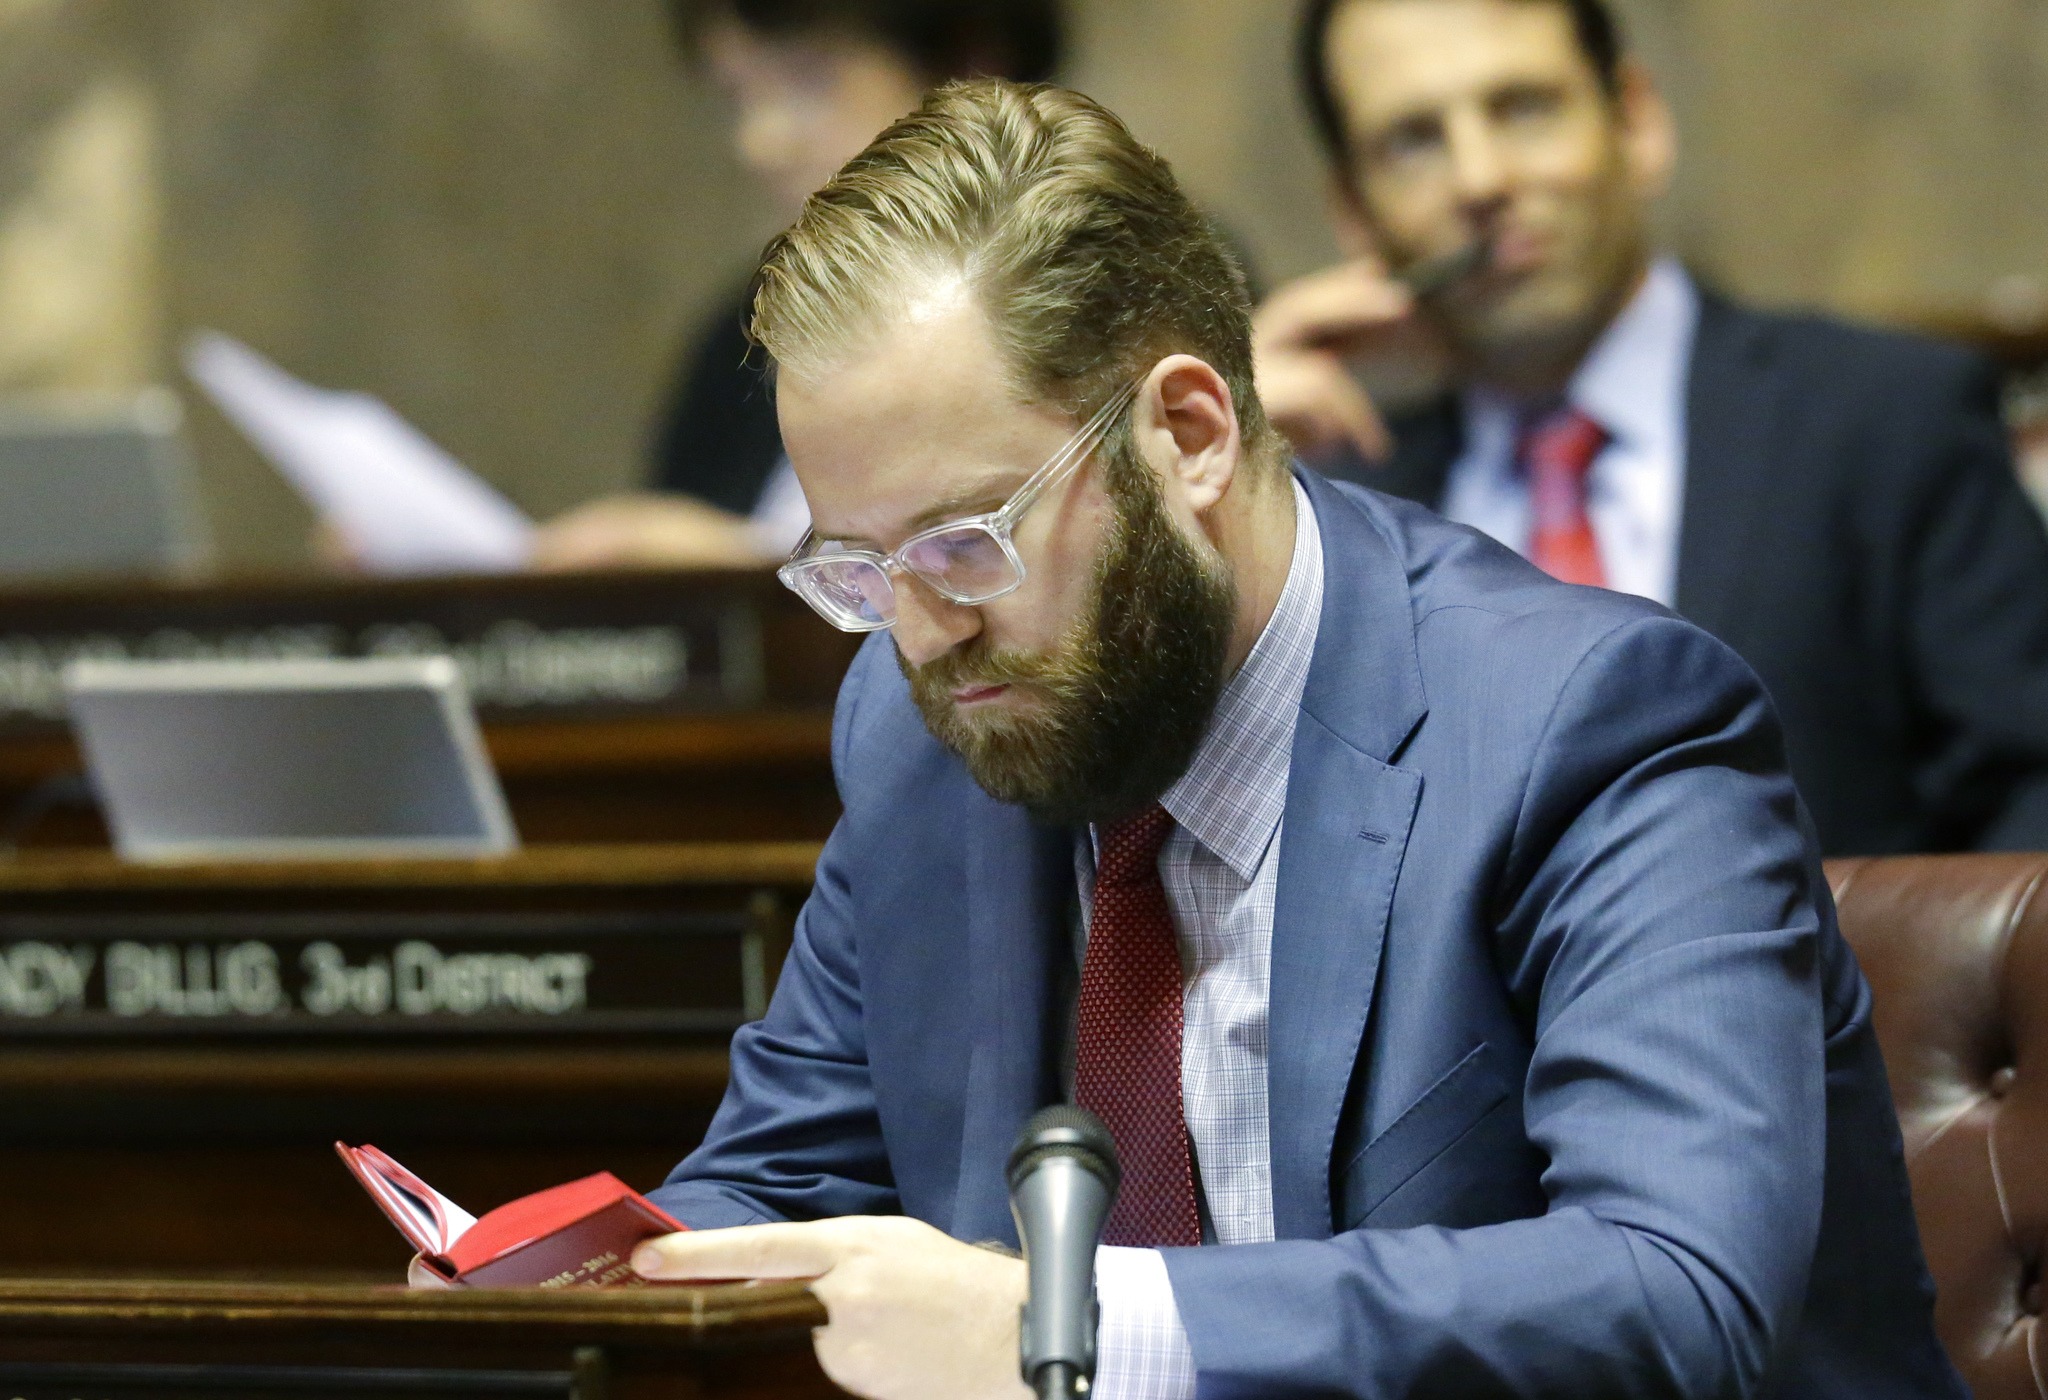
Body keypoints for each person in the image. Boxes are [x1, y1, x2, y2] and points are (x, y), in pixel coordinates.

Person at [624, 79, 1962, 1400]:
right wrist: (563, 1283)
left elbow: (1674, 1290)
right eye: (858, 570)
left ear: (1187, 434)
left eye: (966, 545)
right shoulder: (928, 729)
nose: (919, 633)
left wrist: (1071, 1320)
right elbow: (773, 1188)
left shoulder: (1596, 724)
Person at [1255, 0, 2048, 858]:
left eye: (1523, 107)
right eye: (1413, 140)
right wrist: (1227, 483)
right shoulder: (1334, 521)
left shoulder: (1884, 418)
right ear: (1353, 209)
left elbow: (2029, 804)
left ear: (1636, 121)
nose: (1480, 180)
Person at [527, 0, 1065, 571]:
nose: (761, 141)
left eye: (807, 82)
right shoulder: (744, 330)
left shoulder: (1080, 290)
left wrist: (743, 571)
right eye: (739, 96)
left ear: (969, 67)